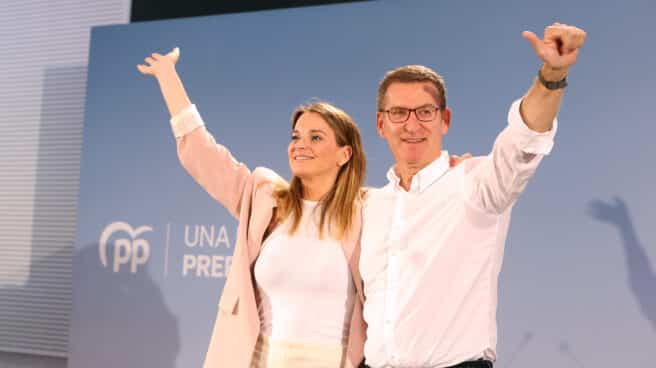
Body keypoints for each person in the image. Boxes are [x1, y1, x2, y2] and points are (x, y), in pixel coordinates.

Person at [358, 23, 587, 368]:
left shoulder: (477, 184)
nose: (412, 125)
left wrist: (552, 75)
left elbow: (523, 140)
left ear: (444, 119)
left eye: (425, 112)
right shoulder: (369, 206)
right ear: (380, 124)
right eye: (398, 113)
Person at [137, 48, 368, 368]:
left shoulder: (370, 212)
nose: (301, 144)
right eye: (296, 135)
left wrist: (461, 172)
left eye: (316, 138)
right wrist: (168, 77)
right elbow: (203, 154)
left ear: (344, 155)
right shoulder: (264, 197)